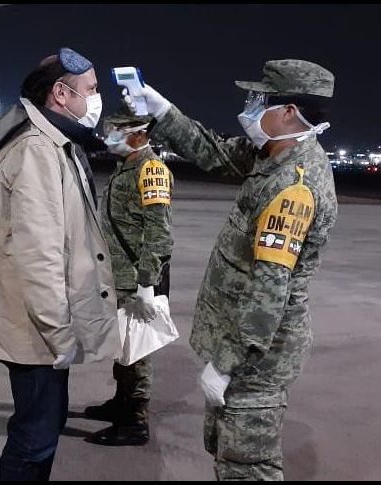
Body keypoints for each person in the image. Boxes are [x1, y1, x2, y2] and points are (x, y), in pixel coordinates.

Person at [126, 60, 337, 480]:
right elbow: (214, 151)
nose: (250, 108)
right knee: (228, 456)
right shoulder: (275, 156)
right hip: (243, 347)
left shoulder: (293, 184)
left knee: (249, 468)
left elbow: (269, 290)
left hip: (256, 358)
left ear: (290, 111)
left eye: (261, 100)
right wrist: (162, 110)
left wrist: (226, 363)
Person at [0, 47, 120, 481]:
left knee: (41, 429)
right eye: (91, 90)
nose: (96, 99)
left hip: (35, 323)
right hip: (34, 327)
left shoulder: (53, 143)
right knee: (35, 438)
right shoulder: (37, 151)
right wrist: (58, 331)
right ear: (61, 94)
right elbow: (39, 255)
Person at [83, 109, 173, 447]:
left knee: (138, 351)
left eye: (117, 129)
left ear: (140, 133)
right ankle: (121, 403)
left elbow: (159, 233)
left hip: (137, 280)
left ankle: (136, 420)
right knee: (124, 346)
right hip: (118, 276)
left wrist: (147, 285)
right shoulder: (127, 167)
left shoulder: (151, 171)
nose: (110, 135)